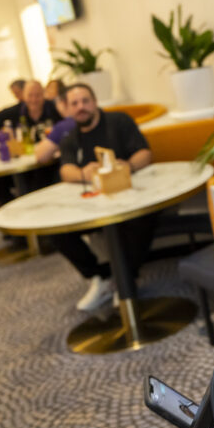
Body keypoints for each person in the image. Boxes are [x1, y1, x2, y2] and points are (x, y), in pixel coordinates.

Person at [55, 83, 153, 310]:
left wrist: (126, 165)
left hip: (131, 197)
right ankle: (100, 277)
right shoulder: (71, 138)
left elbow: (145, 153)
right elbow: (64, 170)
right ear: (68, 109)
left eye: (86, 101)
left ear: (95, 101)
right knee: (58, 232)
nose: (81, 107)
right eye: (75, 103)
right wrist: (82, 173)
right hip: (92, 204)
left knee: (141, 219)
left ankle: (126, 280)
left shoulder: (119, 122)